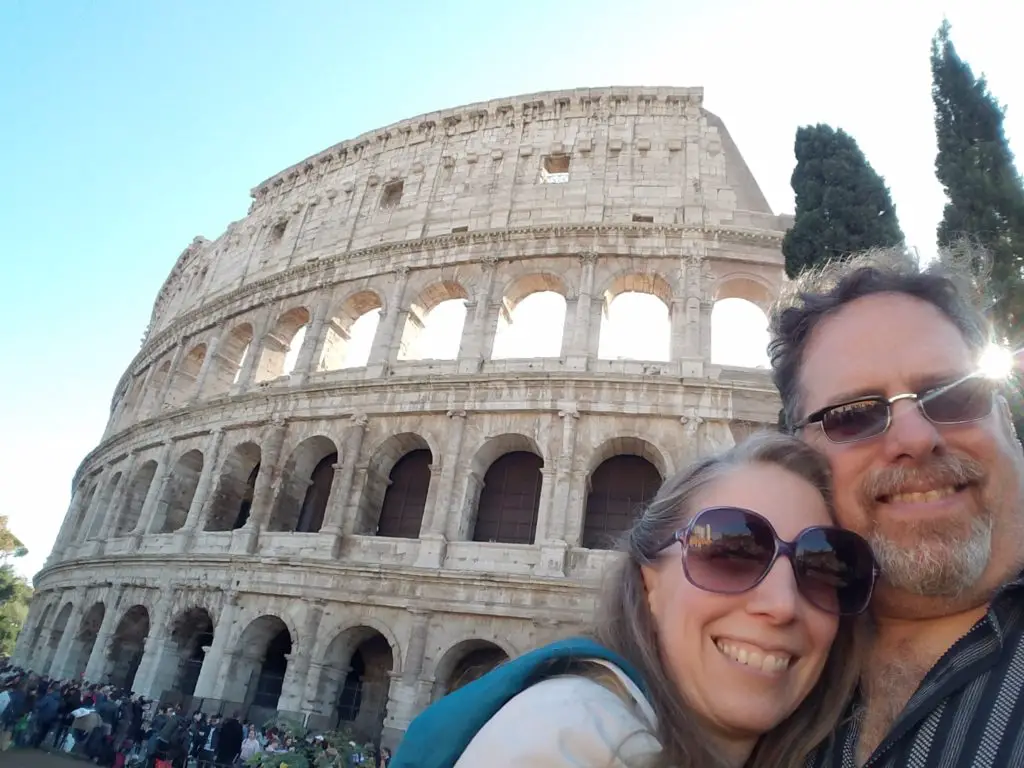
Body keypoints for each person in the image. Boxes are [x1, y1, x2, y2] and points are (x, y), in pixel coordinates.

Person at [394, 432, 878, 767]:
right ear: (651, 582)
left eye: (821, 565)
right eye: (731, 551)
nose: (783, 603)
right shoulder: (574, 733)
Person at [769, 245, 1024, 767]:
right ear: (801, 458)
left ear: (1007, 419)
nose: (916, 436)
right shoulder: (768, 659)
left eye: (953, 395)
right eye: (855, 415)